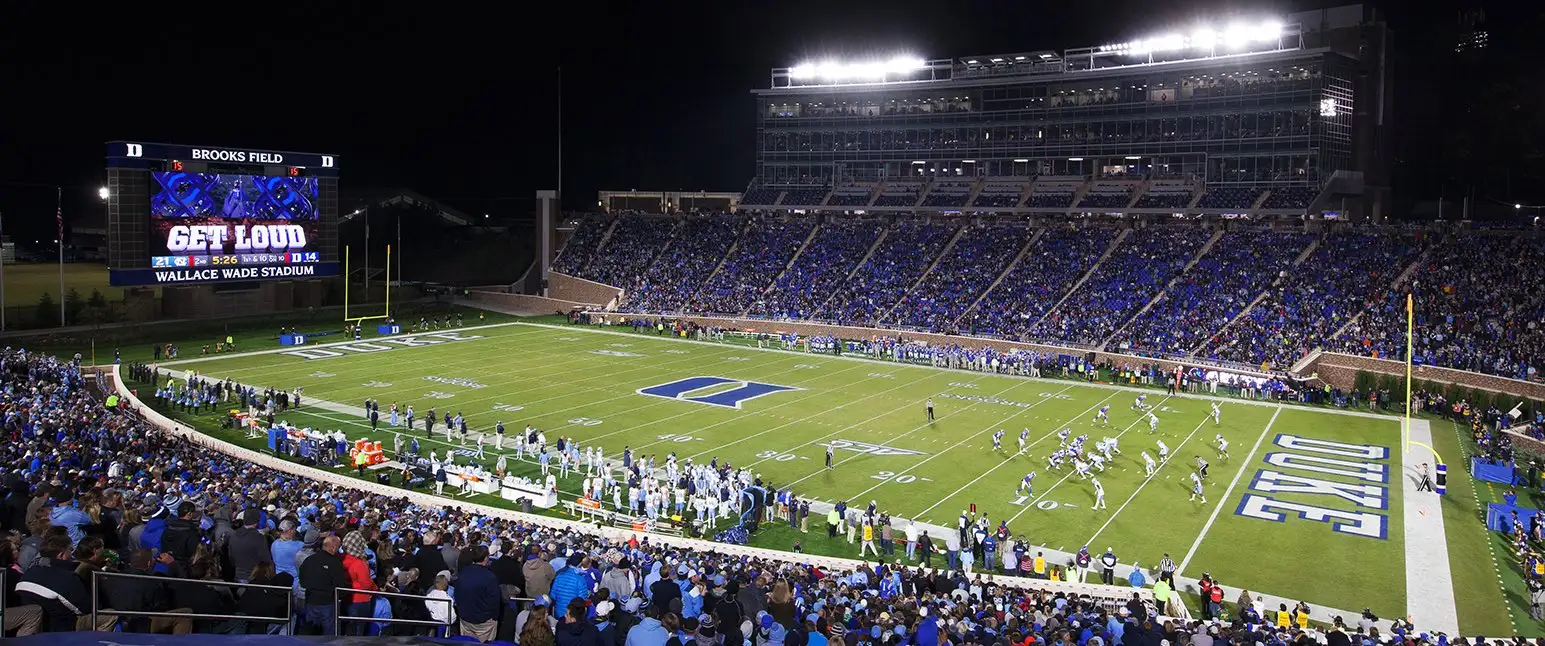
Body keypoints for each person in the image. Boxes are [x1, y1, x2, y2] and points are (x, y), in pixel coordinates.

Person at [455, 545, 501, 641]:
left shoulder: (464, 572)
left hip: (467, 617)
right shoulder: (489, 577)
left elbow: (457, 593)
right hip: (482, 621)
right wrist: (493, 617)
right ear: (485, 558)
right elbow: (494, 600)